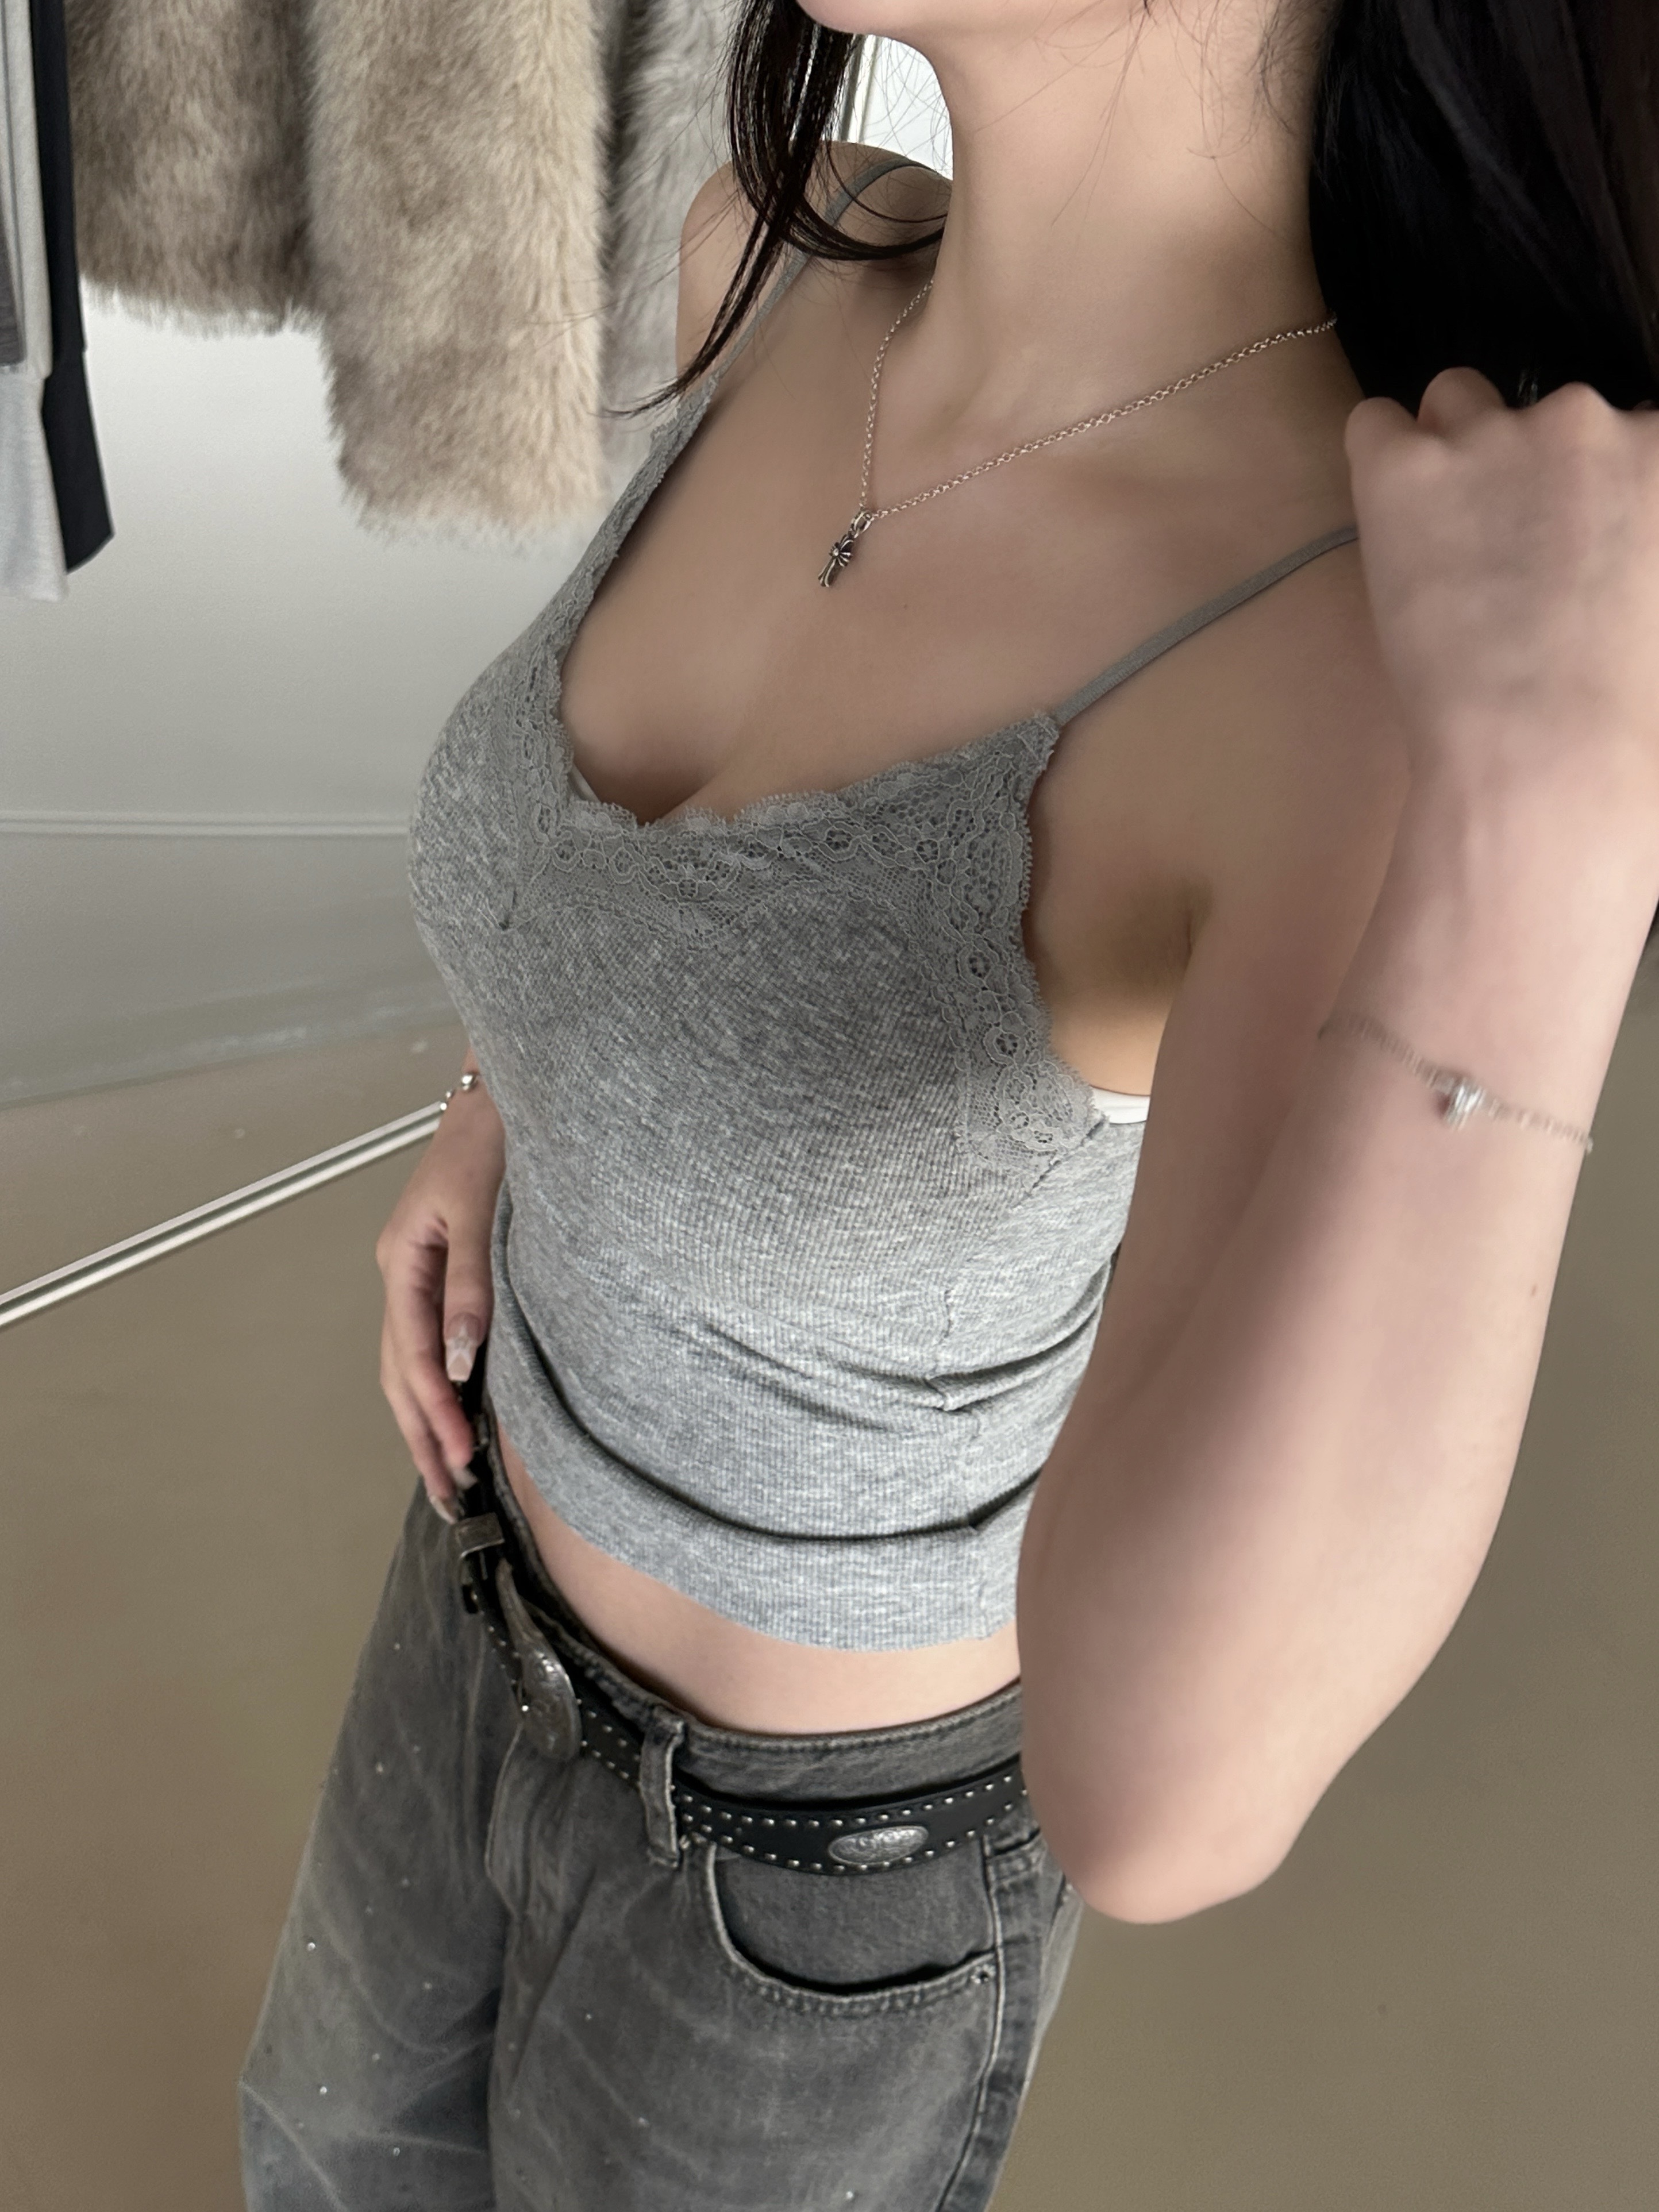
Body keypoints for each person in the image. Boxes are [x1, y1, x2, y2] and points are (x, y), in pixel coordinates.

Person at [240, 0, 1659, 2203]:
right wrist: (511, 1092)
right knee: (314, 2163)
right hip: (469, 1592)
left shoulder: (1345, 687)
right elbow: (654, 899)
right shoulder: (768, 252)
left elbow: (1169, 1797)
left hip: (812, 1889)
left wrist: (1560, 842)